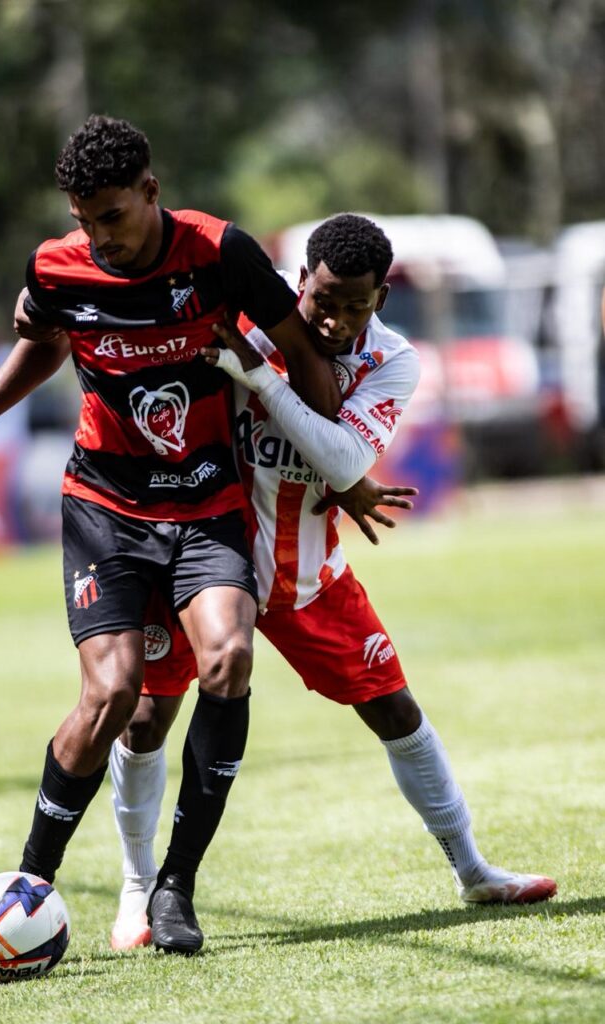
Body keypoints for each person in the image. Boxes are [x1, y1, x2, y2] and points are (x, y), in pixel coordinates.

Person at [0, 116, 341, 949]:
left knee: (227, 657)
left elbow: (304, 364)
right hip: (106, 506)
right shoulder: (56, 264)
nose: (98, 236)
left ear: (152, 191)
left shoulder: (222, 254)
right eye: (84, 218)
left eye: (111, 215)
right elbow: (44, 345)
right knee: (114, 694)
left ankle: (175, 890)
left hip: (205, 499)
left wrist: (331, 443)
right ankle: (29, 884)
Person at [109, 214, 557, 954]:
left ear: (381, 297)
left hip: (308, 575)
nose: (335, 319)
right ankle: (135, 892)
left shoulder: (393, 360)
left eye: (357, 304)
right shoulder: (251, 325)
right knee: (146, 719)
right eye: (322, 299)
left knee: (397, 711)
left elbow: (345, 459)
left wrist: (262, 388)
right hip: (202, 563)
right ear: (299, 282)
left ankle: (472, 867)